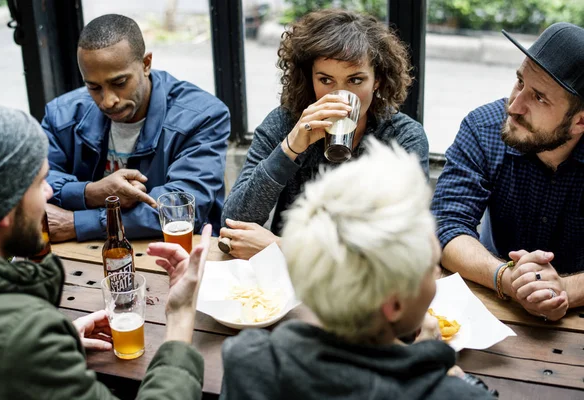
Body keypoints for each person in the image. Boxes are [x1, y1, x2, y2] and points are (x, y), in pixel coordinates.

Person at [220, 139, 495, 400]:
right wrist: (438, 373)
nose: (436, 272)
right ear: (394, 305)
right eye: (430, 268)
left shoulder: (246, 360)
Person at [0, 104, 212, 398]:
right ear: (4, 207)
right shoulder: (21, 335)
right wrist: (181, 316)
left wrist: (58, 346)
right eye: (39, 183)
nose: (49, 193)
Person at [220, 9, 429, 259]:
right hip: (284, 284)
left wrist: (282, 248)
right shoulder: (286, 122)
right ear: (310, 79)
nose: (339, 95)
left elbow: (400, 248)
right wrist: (289, 149)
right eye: (326, 80)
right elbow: (234, 222)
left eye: (355, 80)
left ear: (377, 81)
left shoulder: (402, 137)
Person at [431, 22, 584, 321]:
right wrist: (508, 278)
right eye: (519, 82)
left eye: (539, 97)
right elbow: (446, 227)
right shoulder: (483, 127)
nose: (515, 105)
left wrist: (562, 289)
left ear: (579, 122)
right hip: (494, 300)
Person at [43, 14, 230, 242]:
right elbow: (35, 183)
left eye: (119, 83)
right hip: (88, 250)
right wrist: (91, 193)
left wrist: (76, 223)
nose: (108, 100)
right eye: (94, 87)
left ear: (145, 64)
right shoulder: (61, 114)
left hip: (172, 252)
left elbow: (181, 209)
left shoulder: (203, 116)